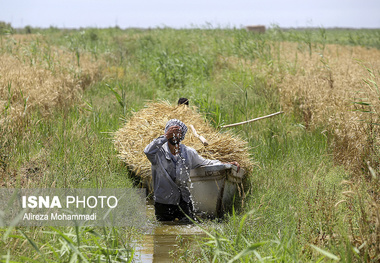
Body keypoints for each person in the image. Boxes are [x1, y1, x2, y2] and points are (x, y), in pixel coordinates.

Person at [144, 119, 240, 222]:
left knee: (188, 228)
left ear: (182, 136)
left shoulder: (188, 152)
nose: (174, 136)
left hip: (183, 200)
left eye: (178, 133)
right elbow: (147, 151)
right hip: (164, 202)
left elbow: (205, 162)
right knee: (164, 229)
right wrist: (166, 136)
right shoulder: (158, 152)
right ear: (167, 133)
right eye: (172, 133)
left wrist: (226, 164)